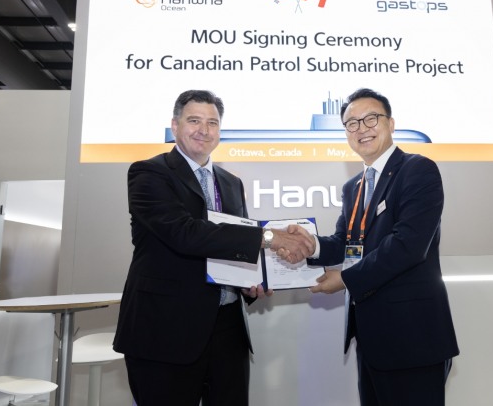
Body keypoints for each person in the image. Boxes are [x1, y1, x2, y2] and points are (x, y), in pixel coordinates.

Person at [113, 89, 314, 406]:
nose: (203, 130)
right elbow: (184, 233)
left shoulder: (231, 182)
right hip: (166, 330)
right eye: (194, 121)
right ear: (175, 125)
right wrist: (270, 237)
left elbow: (233, 245)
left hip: (227, 330)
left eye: (212, 123)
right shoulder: (149, 172)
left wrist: (250, 281)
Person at [282, 88, 459, 406]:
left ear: (391, 123)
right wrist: (311, 246)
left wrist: (345, 279)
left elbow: (408, 246)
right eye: (352, 123)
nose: (361, 128)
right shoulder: (354, 187)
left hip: (413, 337)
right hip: (371, 337)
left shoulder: (418, 170)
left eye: (371, 119)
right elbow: (346, 243)